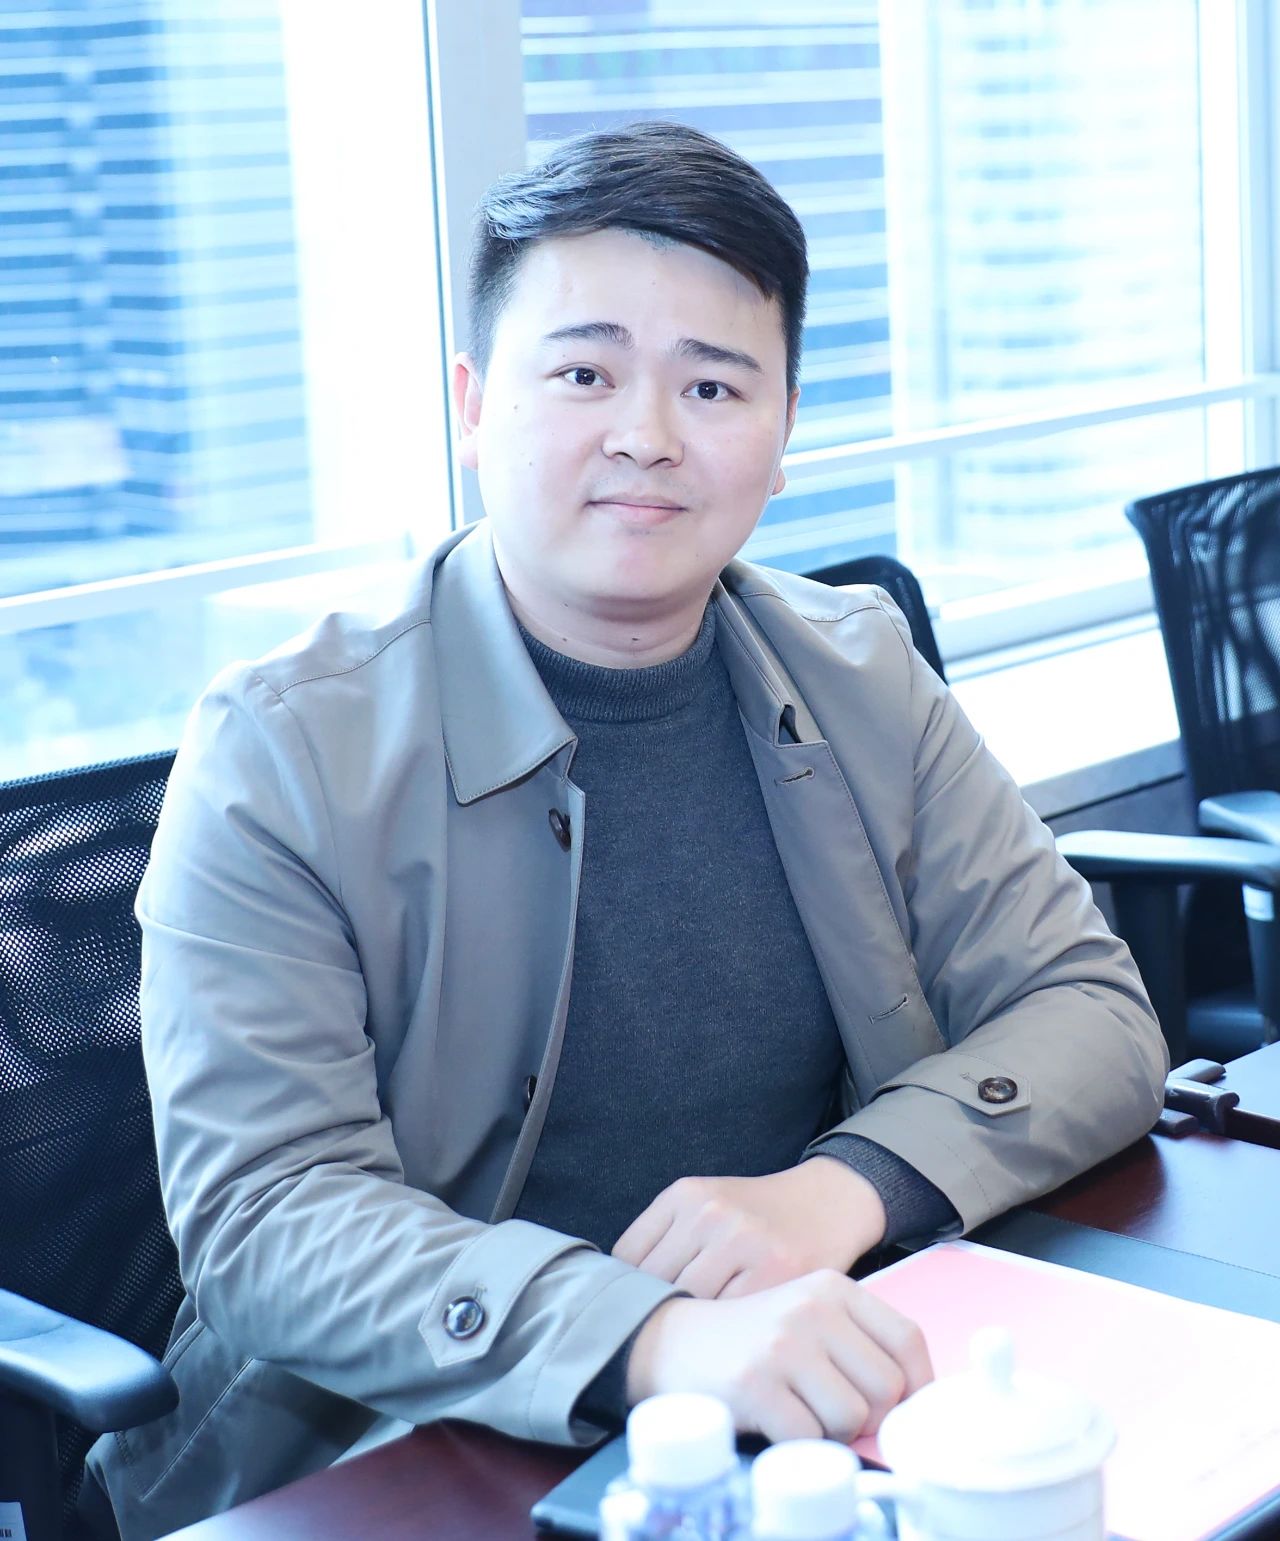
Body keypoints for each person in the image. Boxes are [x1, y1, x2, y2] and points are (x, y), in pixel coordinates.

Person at [87, 122, 1167, 1539]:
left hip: (804, 1399)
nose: (647, 434)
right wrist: (652, 1336)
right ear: (475, 404)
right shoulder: (282, 746)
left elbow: (1092, 1011)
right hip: (389, 1450)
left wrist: (840, 1191)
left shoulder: (859, 667)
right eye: (584, 372)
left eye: (713, 385)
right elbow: (269, 1218)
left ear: (785, 431)